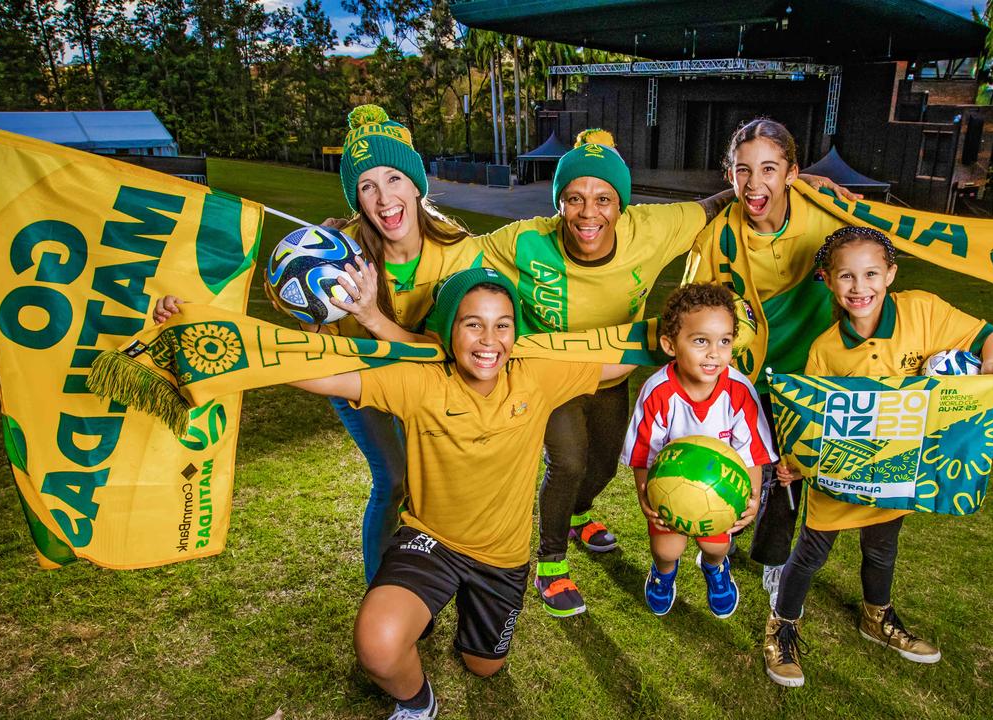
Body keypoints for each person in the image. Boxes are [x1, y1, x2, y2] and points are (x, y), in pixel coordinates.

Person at [161, 268, 635, 719]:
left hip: (503, 557)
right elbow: (325, 375)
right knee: (379, 645)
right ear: (447, 331)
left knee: (483, 667)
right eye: (473, 325)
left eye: (502, 325)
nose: (490, 341)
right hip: (432, 541)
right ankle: (416, 702)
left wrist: (696, 339)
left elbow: (618, 358)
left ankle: (473, 623)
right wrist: (196, 330)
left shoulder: (537, 376)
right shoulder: (420, 381)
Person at [475, 128, 851, 618]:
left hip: (610, 373)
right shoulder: (528, 240)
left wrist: (800, 185)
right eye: (574, 198)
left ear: (621, 205)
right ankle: (551, 561)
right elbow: (457, 252)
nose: (589, 212)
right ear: (559, 201)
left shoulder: (650, 229)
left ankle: (580, 515)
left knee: (603, 465)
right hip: (553, 375)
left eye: (604, 198)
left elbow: (714, 204)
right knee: (567, 462)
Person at [763, 227, 993, 688]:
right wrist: (795, 463)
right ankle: (781, 627)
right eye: (846, 276)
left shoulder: (922, 310)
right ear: (827, 280)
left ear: (891, 274)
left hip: (899, 470)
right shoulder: (825, 349)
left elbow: (990, 335)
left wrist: (991, 369)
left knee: (882, 547)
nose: (859, 287)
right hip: (842, 472)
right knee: (811, 552)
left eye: (870, 274)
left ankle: (877, 618)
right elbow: (816, 421)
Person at [682, 117, 871, 611]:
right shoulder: (716, 238)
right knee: (752, 466)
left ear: (791, 172)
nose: (754, 183)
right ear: (729, 174)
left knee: (796, 469)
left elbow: (869, 269)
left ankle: (774, 560)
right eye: (743, 170)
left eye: (769, 169)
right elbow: (692, 308)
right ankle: (723, 550)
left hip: (814, 372)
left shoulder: (829, 218)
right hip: (746, 372)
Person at [293, 104, 484, 583]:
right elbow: (317, 344)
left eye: (394, 178)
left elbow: (446, 350)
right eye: (367, 186)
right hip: (362, 381)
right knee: (394, 479)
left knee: (435, 487)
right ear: (356, 198)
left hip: (429, 381)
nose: (383, 198)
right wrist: (304, 299)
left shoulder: (460, 251)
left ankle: (427, 580)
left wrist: (374, 317)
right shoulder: (338, 249)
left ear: (416, 184)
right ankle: (382, 585)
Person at [620, 283, 774, 619]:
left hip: (720, 490)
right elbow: (644, 455)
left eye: (725, 341)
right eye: (701, 341)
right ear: (670, 345)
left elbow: (752, 454)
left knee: (716, 545)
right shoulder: (657, 392)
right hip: (669, 490)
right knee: (667, 548)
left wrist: (752, 498)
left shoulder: (739, 391)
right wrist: (646, 496)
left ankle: (715, 569)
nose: (714, 353)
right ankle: (662, 574)